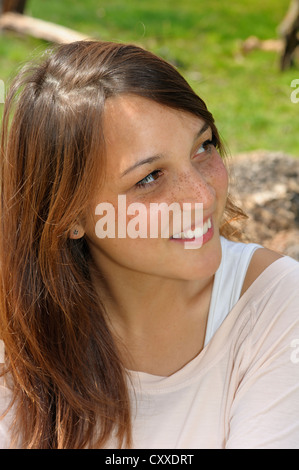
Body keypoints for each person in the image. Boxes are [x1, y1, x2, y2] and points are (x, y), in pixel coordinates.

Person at [0, 40, 298, 450]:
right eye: (149, 178)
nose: (203, 197)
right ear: (68, 215)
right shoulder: (18, 334)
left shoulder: (280, 305)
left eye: (203, 147)